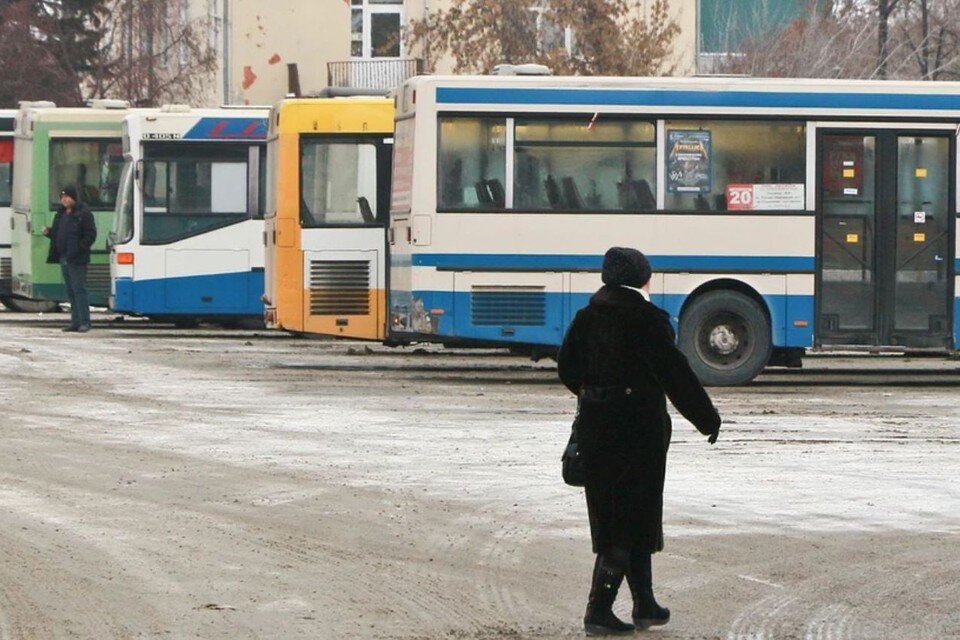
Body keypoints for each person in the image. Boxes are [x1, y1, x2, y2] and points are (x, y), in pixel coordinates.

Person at [557, 247, 721, 636]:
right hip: (638, 435)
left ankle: (645, 605)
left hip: (597, 431)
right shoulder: (648, 320)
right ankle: (598, 612)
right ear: (643, 278)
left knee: (618, 517)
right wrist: (706, 419)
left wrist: (597, 393)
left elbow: (567, 368)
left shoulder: (586, 317)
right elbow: (675, 375)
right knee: (630, 519)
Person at [43, 186, 96, 332]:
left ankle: (85, 322)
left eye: (67, 197)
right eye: (62, 197)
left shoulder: (83, 213)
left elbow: (90, 234)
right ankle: (75, 322)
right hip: (64, 257)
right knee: (71, 291)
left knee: (79, 290)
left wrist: (79, 249)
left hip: (77, 258)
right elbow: (59, 233)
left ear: (74, 198)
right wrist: (49, 233)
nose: (64, 200)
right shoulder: (60, 214)